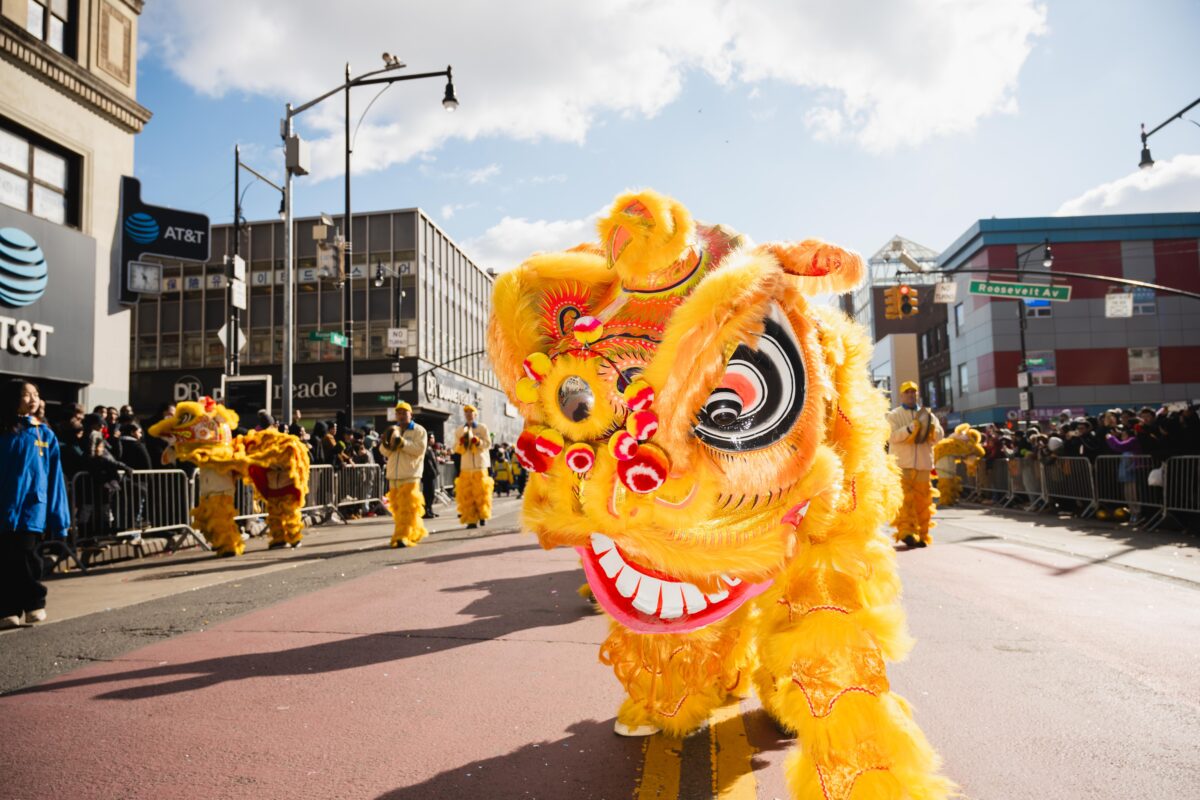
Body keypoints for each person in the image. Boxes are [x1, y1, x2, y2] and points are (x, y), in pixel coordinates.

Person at [0, 380, 70, 629]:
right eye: (26, 395)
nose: (33, 399)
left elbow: (55, 479)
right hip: (4, 508)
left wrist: (59, 520)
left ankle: (34, 602)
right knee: (5, 560)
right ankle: (7, 609)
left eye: (36, 395)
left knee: (26, 555)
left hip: (32, 509)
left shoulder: (44, 433)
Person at [887, 381, 942, 547]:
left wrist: (931, 429)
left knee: (923, 502)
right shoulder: (894, 415)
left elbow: (939, 436)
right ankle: (907, 532)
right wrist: (910, 429)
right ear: (902, 395)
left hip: (923, 465)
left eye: (914, 392)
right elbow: (891, 436)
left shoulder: (929, 415)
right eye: (907, 392)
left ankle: (922, 534)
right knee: (904, 501)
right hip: (902, 465)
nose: (911, 395)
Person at [381, 402, 428, 547]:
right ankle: (411, 532)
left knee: (409, 508)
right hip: (394, 476)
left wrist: (402, 443)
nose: (401, 416)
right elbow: (384, 451)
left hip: (410, 475)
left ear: (411, 414)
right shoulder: (393, 430)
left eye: (404, 413)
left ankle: (403, 536)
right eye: (398, 413)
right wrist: (387, 443)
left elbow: (419, 450)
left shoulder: (419, 431)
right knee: (398, 509)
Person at [453, 404, 494, 529]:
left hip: (480, 465)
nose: (469, 415)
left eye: (471, 412)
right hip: (466, 466)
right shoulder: (460, 430)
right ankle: (471, 519)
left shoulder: (482, 428)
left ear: (475, 415)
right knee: (468, 494)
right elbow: (455, 448)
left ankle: (483, 515)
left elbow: (488, 444)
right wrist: (461, 444)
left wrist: (478, 441)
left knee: (481, 493)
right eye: (466, 413)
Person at [421, 432, 440, 519]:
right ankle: (426, 511)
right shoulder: (425, 449)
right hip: (427, 475)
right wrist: (433, 472)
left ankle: (430, 510)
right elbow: (428, 464)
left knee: (431, 494)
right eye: (432, 438)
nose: (433, 440)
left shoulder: (430, 449)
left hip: (431, 475)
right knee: (428, 493)